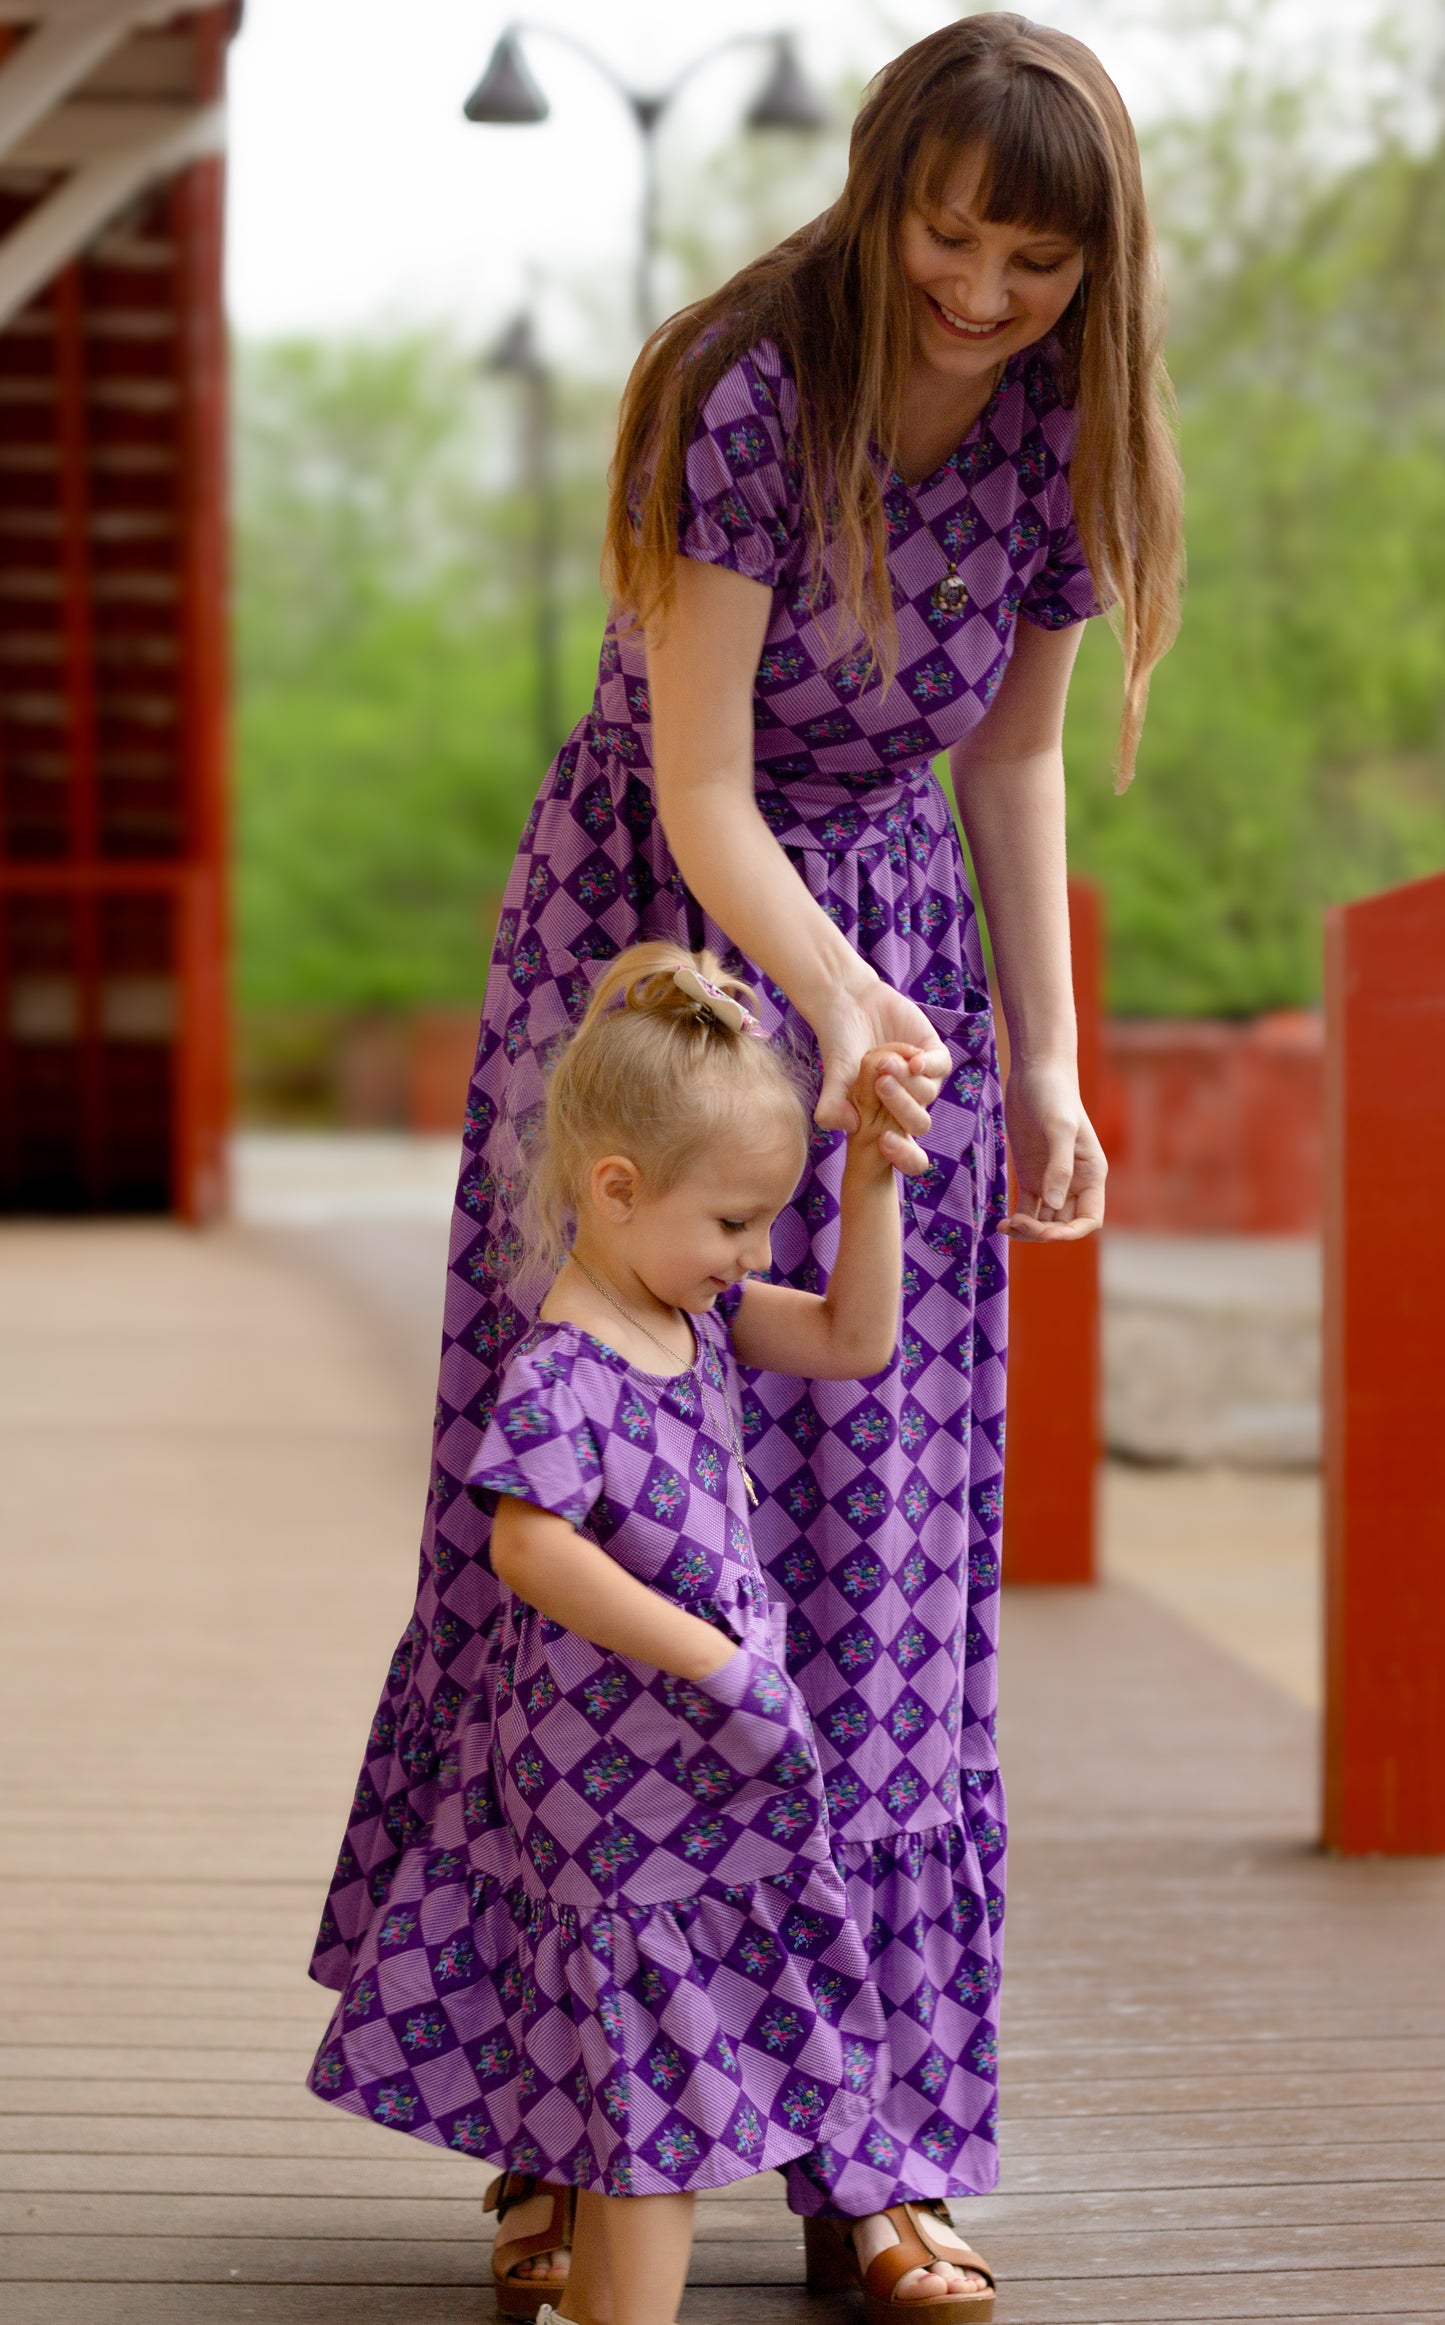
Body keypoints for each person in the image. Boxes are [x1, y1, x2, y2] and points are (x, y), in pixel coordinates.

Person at [308, 12, 1181, 2320]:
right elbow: (704, 781)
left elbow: (1010, 775)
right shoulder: (751, 396)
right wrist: (837, 1004)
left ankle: (867, 2151)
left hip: (884, 945)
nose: (987, 292)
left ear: (1097, 270)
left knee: (880, 1562)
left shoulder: (1063, 429)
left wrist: (1043, 1057)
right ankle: (564, 2139)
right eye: (955, 235)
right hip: (660, 958)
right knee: (603, 1524)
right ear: (885, 190)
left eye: (1039, 259)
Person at [309, 944, 944, 2325]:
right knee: (660, 2090)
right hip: (615, 1780)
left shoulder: (690, 1318)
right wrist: (713, 1656)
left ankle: (596, 2309)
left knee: (643, 2076)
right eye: (731, 1221)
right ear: (614, 1189)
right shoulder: (567, 1366)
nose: (753, 1253)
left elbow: (851, 1338)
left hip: (693, 1771)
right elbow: (527, 1545)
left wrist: (872, 1179)